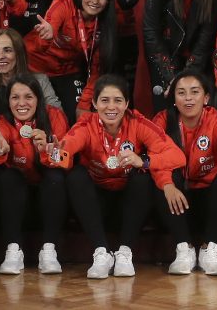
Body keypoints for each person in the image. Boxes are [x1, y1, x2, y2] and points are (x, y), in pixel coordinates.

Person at [42, 74, 185, 279]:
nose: (111, 107)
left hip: (131, 204)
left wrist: (143, 161)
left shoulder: (138, 123)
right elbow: (65, 156)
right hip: (96, 204)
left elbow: (178, 157)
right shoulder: (85, 125)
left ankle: (125, 252)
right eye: (104, 100)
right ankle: (102, 253)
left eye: (118, 100)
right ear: (94, 103)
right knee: (76, 175)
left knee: (142, 176)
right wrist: (49, 152)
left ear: (127, 103)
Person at [150, 70, 217, 276]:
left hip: (209, 200)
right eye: (181, 93)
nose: (188, 98)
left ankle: (209, 249)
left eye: (194, 92)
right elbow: (155, 156)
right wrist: (167, 185)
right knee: (162, 175)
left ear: (207, 98)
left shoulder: (216, 120)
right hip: (177, 203)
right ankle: (184, 249)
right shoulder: (163, 121)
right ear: (174, 98)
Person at [0, 74, 70, 275]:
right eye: (15, 97)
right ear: (8, 101)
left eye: (28, 97)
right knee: (8, 177)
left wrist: (46, 151)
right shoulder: (3, 122)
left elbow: (66, 160)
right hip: (17, 195)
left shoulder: (55, 117)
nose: (21, 103)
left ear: (38, 99)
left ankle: (49, 250)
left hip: (49, 191)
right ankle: (13, 251)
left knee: (55, 179)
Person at [27, 0, 117, 120]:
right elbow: (41, 45)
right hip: (36, 68)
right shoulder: (64, 2)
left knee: (78, 117)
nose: (95, 1)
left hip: (67, 71)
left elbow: (96, 70)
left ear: (108, 0)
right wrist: (48, 36)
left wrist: (84, 104)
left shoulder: (105, 22)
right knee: (51, 118)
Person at [0, 28, 59, 114]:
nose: (0, 56)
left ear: (19, 54)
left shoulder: (40, 81)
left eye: (7, 50)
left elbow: (58, 115)